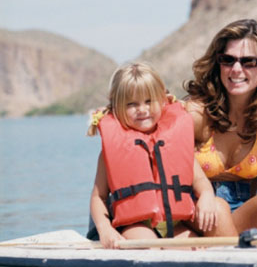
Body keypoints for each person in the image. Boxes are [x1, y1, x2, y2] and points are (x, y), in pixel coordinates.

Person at [88, 62, 237, 249]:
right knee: (146, 244)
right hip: (137, 225)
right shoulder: (109, 153)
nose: (142, 109)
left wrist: (207, 196)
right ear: (117, 107)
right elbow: (98, 197)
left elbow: (201, 183)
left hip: (176, 223)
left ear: (163, 100)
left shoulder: (176, 142)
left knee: (215, 214)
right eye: (132, 104)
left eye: (149, 101)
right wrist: (104, 229)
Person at [183, 19, 257, 233]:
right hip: (197, 208)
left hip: (240, 210)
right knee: (218, 209)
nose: (236, 69)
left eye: (249, 62)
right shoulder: (198, 114)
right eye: (228, 60)